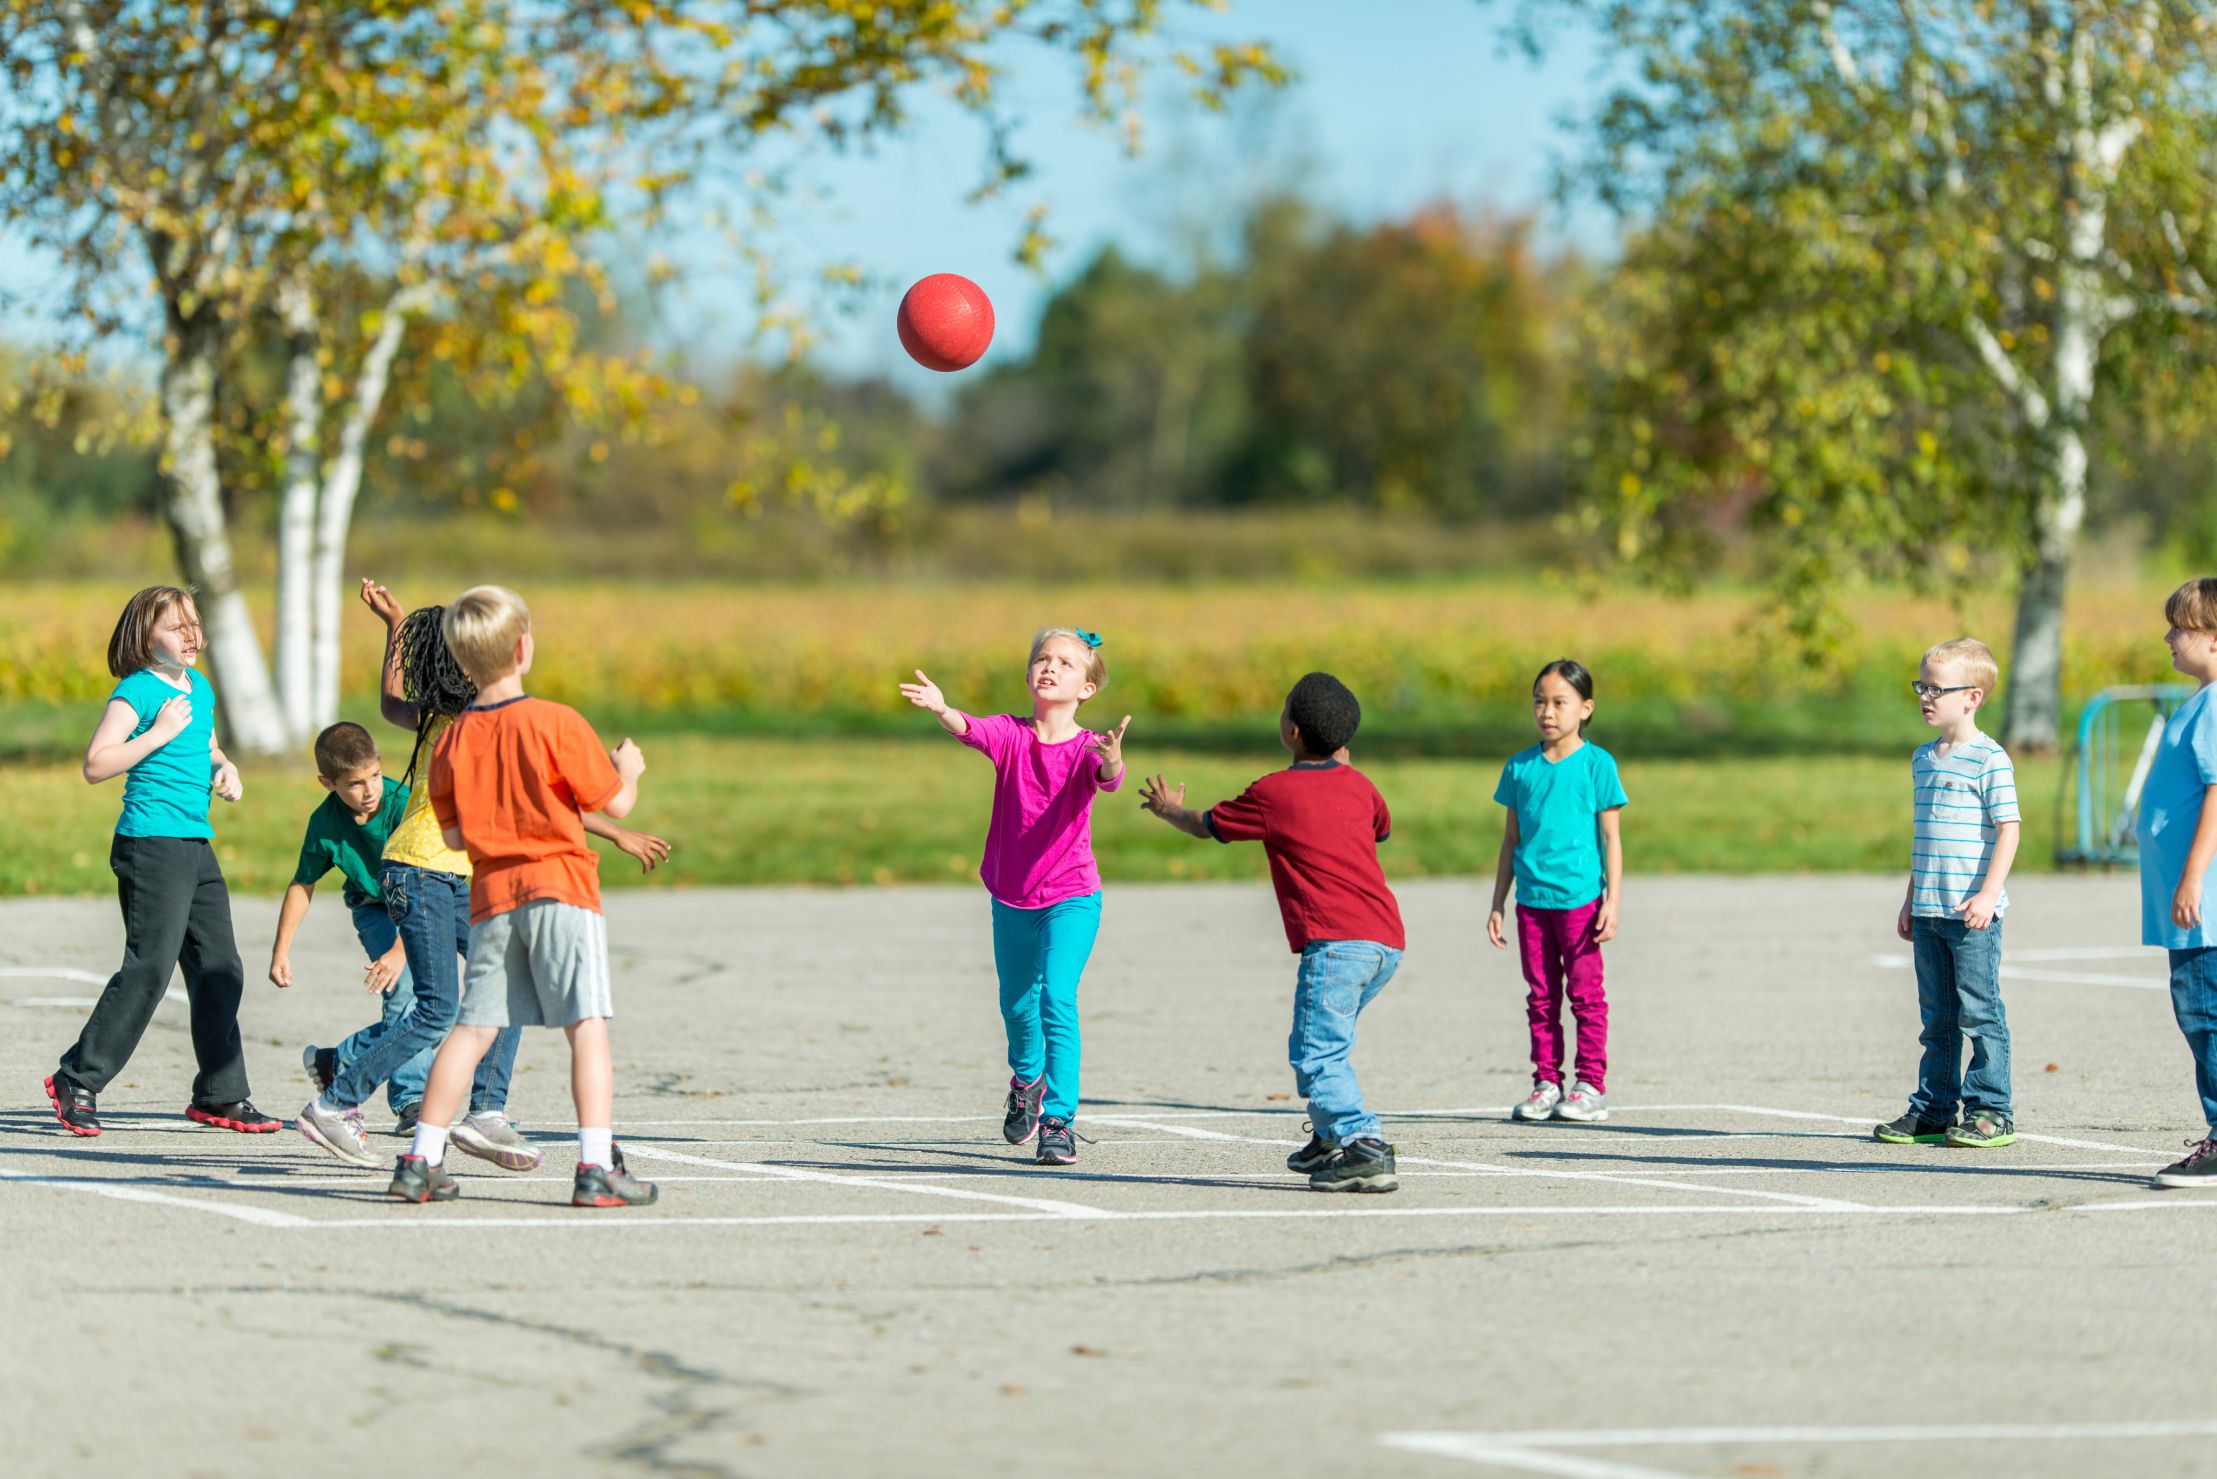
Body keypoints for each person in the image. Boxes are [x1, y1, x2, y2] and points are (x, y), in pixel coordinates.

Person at [298, 584, 666, 1171]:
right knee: (439, 1009)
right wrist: (620, 796)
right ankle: (336, 1102)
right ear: (521, 651)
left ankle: (485, 1111)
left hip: (456, 871)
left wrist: (395, 627)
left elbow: (392, 700)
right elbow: (541, 798)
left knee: (507, 995)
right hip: (423, 870)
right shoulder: (480, 722)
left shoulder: (446, 720)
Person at [1140, 671, 1405, 1193]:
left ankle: (1362, 1143)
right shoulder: (1361, 785)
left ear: (1293, 733)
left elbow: (1207, 826)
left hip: (1337, 945)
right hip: (1386, 943)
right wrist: (1343, 778)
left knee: (1317, 1052)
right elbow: (1382, 828)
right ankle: (1330, 1138)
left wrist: (1170, 809)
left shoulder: (1274, 792)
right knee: (1328, 1040)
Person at [45, 585, 278, 1137]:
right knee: (149, 967)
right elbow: (97, 764)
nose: (191, 635)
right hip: (149, 844)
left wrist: (227, 767)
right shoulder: (136, 692)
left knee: (221, 968)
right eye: (177, 627)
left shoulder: (197, 686)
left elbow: (208, 746)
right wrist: (159, 733)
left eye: (194, 623)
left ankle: (221, 1094)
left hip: (195, 845)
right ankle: (76, 1078)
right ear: (145, 638)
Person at [900, 628, 1129, 1166]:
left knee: (1057, 997)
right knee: (1017, 1003)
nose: (1050, 668)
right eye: (1042, 659)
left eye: (1066, 664)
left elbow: (1108, 775)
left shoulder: (1088, 748)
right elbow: (970, 729)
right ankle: (1027, 1079)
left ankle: (1058, 1120)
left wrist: (1115, 760)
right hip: (1011, 895)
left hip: (1072, 895)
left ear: (1087, 689)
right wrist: (942, 709)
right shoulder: (1010, 734)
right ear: (1029, 674)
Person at [1874, 637, 2021, 1150]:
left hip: (1972, 915)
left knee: (1979, 1011)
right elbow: (1926, 838)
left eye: (1937, 689)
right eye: (1922, 686)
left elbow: (2009, 830)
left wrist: (1988, 895)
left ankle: (1990, 1109)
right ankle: (1934, 1108)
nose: (1926, 697)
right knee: (1936, 1018)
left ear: (1972, 697)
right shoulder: (1924, 759)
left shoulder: (1989, 759)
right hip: (1931, 909)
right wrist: (1911, 898)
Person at [1487, 659, 1627, 1125]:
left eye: (1559, 703)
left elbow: (1611, 839)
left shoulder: (1597, 765)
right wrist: (1498, 903)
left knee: (1586, 995)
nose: (1547, 712)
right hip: (1532, 903)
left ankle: (1590, 1085)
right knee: (1541, 997)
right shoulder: (1520, 767)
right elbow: (1511, 840)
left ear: (1585, 709)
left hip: (1581, 903)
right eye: (1539, 702)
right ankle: (1547, 1082)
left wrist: (1612, 901)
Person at [268, 721, 417, 1135]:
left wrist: (403, 949)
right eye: (354, 783)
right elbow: (303, 883)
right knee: (404, 994)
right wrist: (281, 950)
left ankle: (339, 1062)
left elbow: (426, 882)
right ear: (327, 783)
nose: (370, 790)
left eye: (373, 775)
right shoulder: (325, 822)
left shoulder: (402, 802)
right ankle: (411, 1100)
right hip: (374, 909)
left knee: (442, 1003)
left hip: (422, 899)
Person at [2140, 579, 2217, 1189]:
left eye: (2181, 629)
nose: (2169, 637)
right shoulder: (2198, 700)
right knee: (2200, 1013)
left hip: (2205, 904)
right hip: (2190, 905)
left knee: (2204, 1014)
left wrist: (2192, 876)